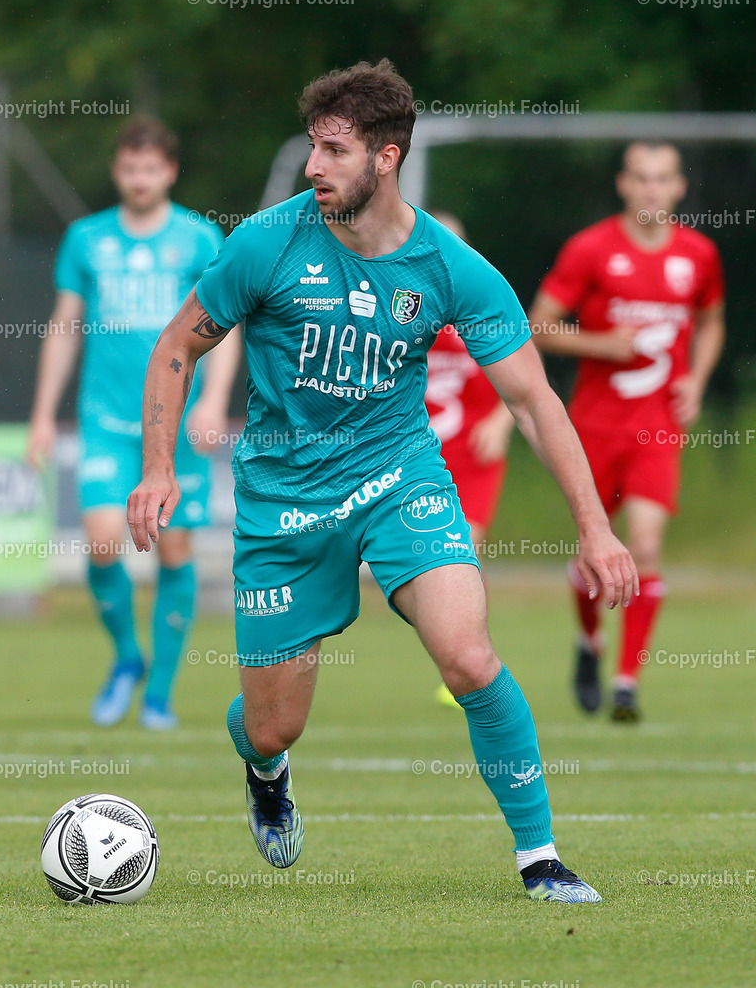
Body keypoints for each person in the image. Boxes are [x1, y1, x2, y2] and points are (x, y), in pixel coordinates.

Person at [127, 60, 637, 903]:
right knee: (272, 722)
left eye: (333, 150)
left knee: (468, 658)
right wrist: (158, 469)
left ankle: (539, 856)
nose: (314, 168)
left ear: (387, 158)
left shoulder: (451, 268)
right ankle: (266, 766)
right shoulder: (265, 242)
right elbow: (178, 346)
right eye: (313, 149)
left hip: (399, 481)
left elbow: (536, 403)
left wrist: (595, 527)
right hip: (282, 506)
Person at [28, 116, 240, 730]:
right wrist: (42, 415)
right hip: (104, 420)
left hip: (173, 428)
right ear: (117, 170)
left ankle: (160, 695)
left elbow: (224, 325)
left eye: (151, 168)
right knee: (100, 541)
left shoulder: (199, 239)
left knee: (174, 551)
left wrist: (212, 399)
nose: (140, 179)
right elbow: (65, 327)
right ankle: (127, 659)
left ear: (169, 171)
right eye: (129, 168)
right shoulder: (86, 239)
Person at [529, 142, 725, 722]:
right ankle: (589, 642)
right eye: (641, 178)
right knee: (594, 552)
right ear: (623, 184)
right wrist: (600, 345)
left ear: (679, 188)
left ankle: (626, 682)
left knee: (644, 545)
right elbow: (535, 326)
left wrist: (697, 380)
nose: (651, 190)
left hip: (658, 426)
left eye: (662, 179)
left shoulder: (699, 253)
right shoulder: (591, 249)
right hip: (593, 423)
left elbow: (712, 320)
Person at [423, 211, 515, 710]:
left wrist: (501, 421)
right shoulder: (400, 305)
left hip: (472, 455)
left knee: (465, 551)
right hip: (414, 453)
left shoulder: (481, 307)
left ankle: (467, 662)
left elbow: (520, 372)